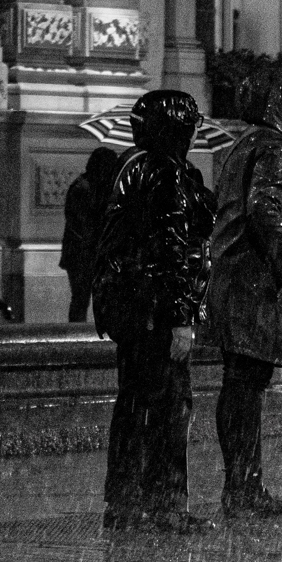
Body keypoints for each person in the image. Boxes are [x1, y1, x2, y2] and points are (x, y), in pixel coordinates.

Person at [91, 89, 218, 533]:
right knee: (168, 408)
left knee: (135, 404)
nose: (196, 131)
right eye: (192, 123)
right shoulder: (165, 172)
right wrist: (181, 318)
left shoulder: (135, 166)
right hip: (156, 311)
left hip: (135, 307)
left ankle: (126, 502)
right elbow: (171, 248)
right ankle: (165, 504)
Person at [201, 74, 282, 520]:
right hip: (254, 284)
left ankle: (242, 485)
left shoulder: (245, 145)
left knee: (240, 384)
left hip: (236, 280)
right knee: (246, 386)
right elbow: (263, 207)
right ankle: (244, 489)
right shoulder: (278, 150)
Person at [60, 145, 125, 324]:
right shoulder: (84, 188)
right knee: (82, 299)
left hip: (85, 252)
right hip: (83, 253)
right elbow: (85, 223)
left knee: (84, 299)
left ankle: (83, 333)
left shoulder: (90, 186)